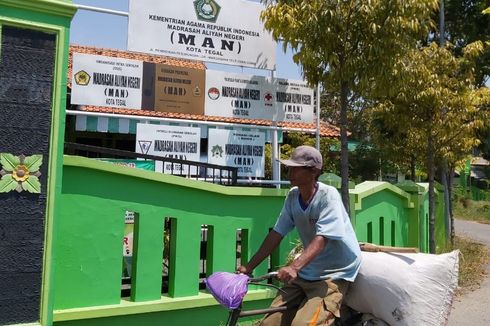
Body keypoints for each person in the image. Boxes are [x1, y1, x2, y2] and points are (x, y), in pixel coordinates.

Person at [237, 145, 361, 326]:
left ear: (313, 171)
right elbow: (277, 233)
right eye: (290, 167)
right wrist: (249, 267)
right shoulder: (293, 196)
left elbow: (322, 238)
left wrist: (294, 267)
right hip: (307, 270)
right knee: (268, 324)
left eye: (296, 168)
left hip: (333, 273)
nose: (290, 172)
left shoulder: (328, 195)